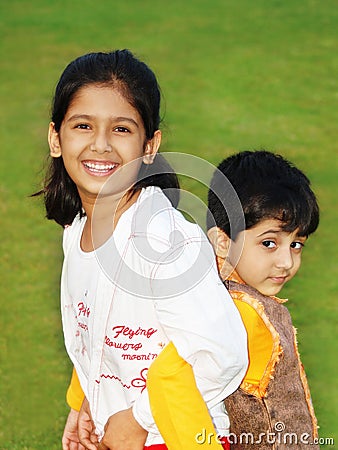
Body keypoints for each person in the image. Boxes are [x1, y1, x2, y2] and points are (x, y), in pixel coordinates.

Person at [38, 49, 248, 450]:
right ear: (55, 138)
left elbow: (223, 353)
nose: (100, 145)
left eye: (121, 129)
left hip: (178, 438)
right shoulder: (76, 231)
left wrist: (137, 419)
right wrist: (86, 403)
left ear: (150, 147)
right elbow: (96, 332)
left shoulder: (163, 241)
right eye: (83, 125)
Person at [147, 150, 320, 450]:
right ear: (222, 242)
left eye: (296, 244)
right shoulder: (236, 312)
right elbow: (168, 375)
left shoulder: (228, 297)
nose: (286, 262)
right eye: (269, 243)